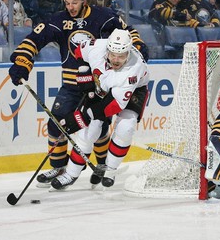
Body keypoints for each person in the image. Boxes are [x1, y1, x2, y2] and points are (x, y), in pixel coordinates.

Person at [8, 0, 149, 188]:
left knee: (98, 126)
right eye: (67, 3)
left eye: (74, 2)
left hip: (99, 83)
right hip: (71, 83)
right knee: (56, 123)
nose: (71, 7)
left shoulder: (103, 16)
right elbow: (33, 40)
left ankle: (101, 165)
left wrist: (137, 45)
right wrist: (22, 61)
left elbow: (127, 32)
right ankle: (59, 166)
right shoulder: (58, 21)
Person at [50, 29, 150, 189]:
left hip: (134, 90)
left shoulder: (133, 69)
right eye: (113, 55)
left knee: (126, 127)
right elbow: (78, 52)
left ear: (128, 53)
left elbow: (114, 105)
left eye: (121, 56)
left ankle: (110, 170)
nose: (116, 60)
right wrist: (84, 73)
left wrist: (84, 116)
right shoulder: (97, 46)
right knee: (88, 131)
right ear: (107, 49)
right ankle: (71, 173)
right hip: (104, 85)